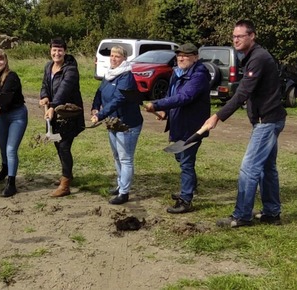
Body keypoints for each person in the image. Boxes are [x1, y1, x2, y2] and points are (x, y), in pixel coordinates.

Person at [203, 20, 286, 228]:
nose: (236, 39)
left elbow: (242, 93)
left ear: (252, 36)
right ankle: (272, 212)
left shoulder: (258, 58)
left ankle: (242, 216)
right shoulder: (251, 57)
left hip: (267, 122)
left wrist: (217, 116)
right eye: (234, 36)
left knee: (249, 168)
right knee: (267, 168)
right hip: (269, 119)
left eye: (240, 36)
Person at [143, 43, 211, 213]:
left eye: (186, 55)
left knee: (186, 162)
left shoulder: (199, 75)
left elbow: (184, 97)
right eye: (179, 55)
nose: (181, 58)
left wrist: (157, 105)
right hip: (178, 123)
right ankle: (191, 186)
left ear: (195, 57)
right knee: (179, 157)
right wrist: (165, 110)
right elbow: (171, 95)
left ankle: (186, 200)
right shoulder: (177, 72)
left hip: (192, 127)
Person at [91, 45, 142, 205]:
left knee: (125, 158)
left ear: (124, 59)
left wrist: (100, 115)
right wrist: (95, 106)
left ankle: (124, 193)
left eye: (117, 56)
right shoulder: (109, 74)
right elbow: (100, 92)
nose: (113, 58)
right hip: (112, 122)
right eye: (112, 55)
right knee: (116, 156)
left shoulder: (126, 76)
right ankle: (120, 185)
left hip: (127, 123)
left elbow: (118, 99)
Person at [39, 38, 85, 198]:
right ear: (50, 50)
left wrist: (52, 106)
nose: (56, 53)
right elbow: (45, 84)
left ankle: (65, 184)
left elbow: (64, 89)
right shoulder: (48, 66)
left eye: (60, 50)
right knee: (57, 144)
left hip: (68, 114)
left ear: (65, 51)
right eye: (54, 50)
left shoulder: (71, 69)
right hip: (54, 114)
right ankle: (67, 175)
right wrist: (44, 96)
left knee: (64, 146)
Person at [0, 49, 28, 197]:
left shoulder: (12, 77)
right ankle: (4, 169)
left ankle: (11, 183)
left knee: (10, 149)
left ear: (6, 61)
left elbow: (5, 97)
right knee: (2, 147)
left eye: (1, 59)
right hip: (3, 117)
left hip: (17, 115)